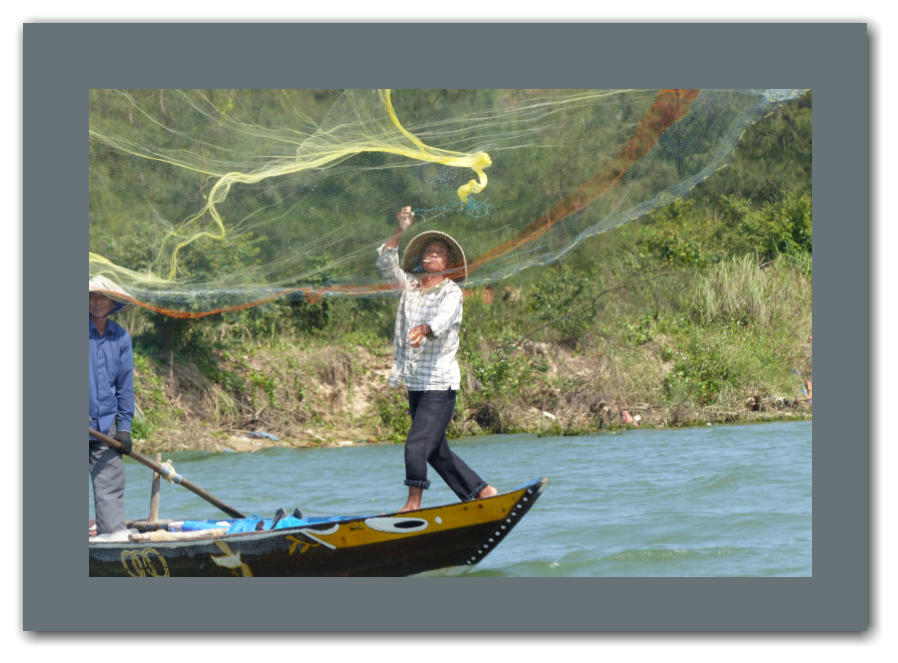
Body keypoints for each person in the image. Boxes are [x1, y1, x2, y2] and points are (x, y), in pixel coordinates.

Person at [377, 206, 497, 512]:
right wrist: (400, 230)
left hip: (439, 383)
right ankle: (482, 492)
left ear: (448, 263)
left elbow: (442, 321)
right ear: (421, 259)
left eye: (439, 253)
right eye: (428, 252)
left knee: (417, 445)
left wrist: (424, 329)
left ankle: (413, 505)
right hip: (416, 382)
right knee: (435, 451)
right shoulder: (410, 287)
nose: (432, 255)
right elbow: (385, 262)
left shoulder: (451, 292)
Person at [89, 275, 135, 537]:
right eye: (92, 297)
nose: (97, 302)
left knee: (110, 493)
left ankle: (111, 541)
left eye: (102, 297)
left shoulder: (121, 338)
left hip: (105, 428)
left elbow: (125, 386)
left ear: (111, 302)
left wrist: (124, 428)